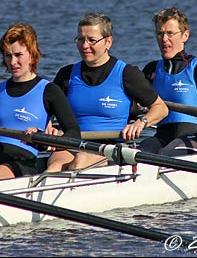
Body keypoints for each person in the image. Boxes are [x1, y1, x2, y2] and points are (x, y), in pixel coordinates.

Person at [52, 12, 168, 169]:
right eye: (80, 39)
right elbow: (46, 110)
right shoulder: (66, 75)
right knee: (54, 167)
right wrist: (46, 125)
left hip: (110, 148)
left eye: (92, 40)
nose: (85, 45)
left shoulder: (127, 74)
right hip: (73, 143)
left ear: (108, 42)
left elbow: (161, 108)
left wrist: (141, 122)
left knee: (80, 161)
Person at [0, 23, 81, 182]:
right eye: (8, 55)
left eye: (18, 55)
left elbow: (74, 132)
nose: (13, 62)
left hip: (22, 161)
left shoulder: (50, 91)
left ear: (32, 54)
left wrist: (46, 139)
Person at [138, 7, 197, 156]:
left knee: (162, 155)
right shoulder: (151, 70)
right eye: (160, 33)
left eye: (170, 33)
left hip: (195, 136)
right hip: (162, 136)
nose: (164, 39)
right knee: (136, 153)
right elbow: (133, 108)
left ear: (185, 36)